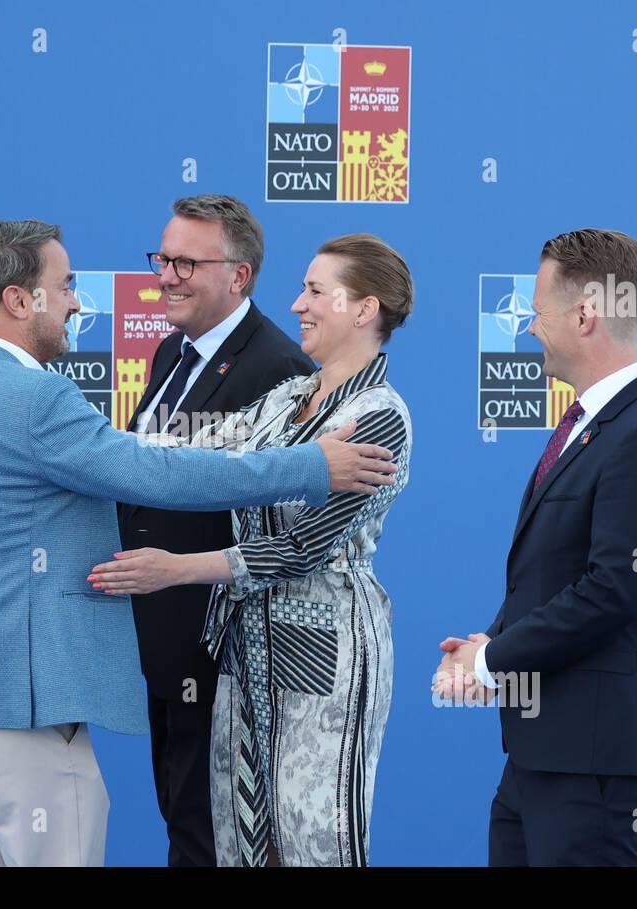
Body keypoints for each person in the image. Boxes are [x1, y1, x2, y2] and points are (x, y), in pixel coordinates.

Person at [0, 219, 397, 867]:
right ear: (17, 301)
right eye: (63, 287)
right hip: (19, 708)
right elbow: (153, 472)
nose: (78, 303)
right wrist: (312, 467)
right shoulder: (37, 400)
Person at [91, 234, 414, 866]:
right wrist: (85, 448)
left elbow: (304, 548)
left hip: (326, 662)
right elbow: (198, 450)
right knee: (239, 846)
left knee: (314, 844)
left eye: (317, 291)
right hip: (246, 654)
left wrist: (176, 570)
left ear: (364, 308)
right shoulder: (290, 397)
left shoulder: (382, 416)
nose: (297, 304)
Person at [434, 228, 637, 866]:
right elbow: (555, 574)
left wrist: (492, 657)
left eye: (537, 311)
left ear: (585, 315)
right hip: (542, 754)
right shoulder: (589, 426)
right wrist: (490, 642)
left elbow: (611, 590)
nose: (529, 328)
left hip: (595, 760)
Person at [117, 195, 314, 867]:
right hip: (161, 637)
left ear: (240, 275)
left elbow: (276, 519)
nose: (166, 276)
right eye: (162, 258)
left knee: (210, 837)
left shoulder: (278, 369)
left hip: (222, 646)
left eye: (186, 263)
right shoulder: (170, 353)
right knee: (182, 819)